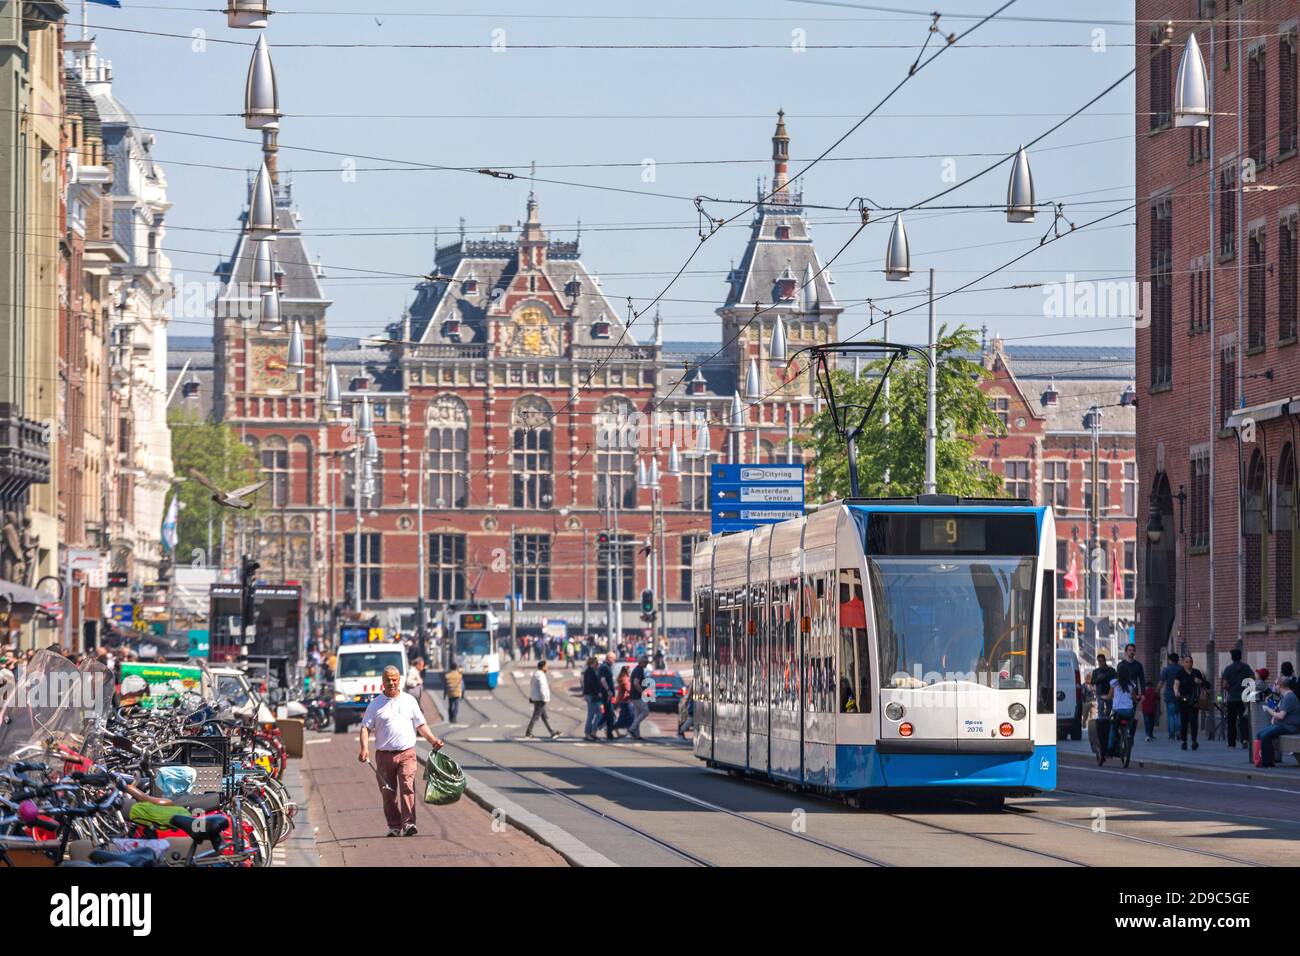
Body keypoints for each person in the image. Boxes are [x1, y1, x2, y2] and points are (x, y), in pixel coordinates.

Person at [358, 665, 445, 837]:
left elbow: (420, 725)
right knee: (388, 792)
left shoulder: (409, 701)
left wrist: (433, 740)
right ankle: (394, 826)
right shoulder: (376, 704)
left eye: (394, 679)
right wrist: (364, 748)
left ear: (399, 681)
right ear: (382, 682)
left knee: (407, 786)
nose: (391, 683)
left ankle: (409, 823)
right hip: (384, 756)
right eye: (388, 680)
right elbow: (365, 728)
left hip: (407, 753)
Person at [1255, 676, 1300, 767]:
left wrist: (1268, 709)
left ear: (1280, 685)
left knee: (1265, 736)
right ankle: (1261, 759)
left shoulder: (1289, 697)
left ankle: (1268, 763)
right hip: (1282, 725)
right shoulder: (1285, 696)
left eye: (1275, 684)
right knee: (1260, 734)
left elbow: (1281, 716)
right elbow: (1279, 710)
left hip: (1289, 727)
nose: (1274, 686)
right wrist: (1270, 704)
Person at [1220, 648, 1255, 748]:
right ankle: (1245, 739)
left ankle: (1231, 742)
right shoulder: (1246, 667)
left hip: (1232, 698)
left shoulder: (1228, 669)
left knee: (1231, 721)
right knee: (1244, 719)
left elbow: (1225, 684)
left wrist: (1229, 688)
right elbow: (1252, 680)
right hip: (1244, 698)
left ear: (1232, 657)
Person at [1173, 655, 1205, 751]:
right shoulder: (1180, 673)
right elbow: (1176, 684)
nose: (1189, 663)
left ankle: (1194, 741)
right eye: (1186, 662)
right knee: (1184, 721)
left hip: (1194, 700)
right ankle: (1184, 741)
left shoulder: (1196, 672)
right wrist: (1176, 692)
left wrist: (1199, 681)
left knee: (1194, 721)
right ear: (1183, 663)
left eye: (1190, 661)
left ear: (1192, 662)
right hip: (1183, 699)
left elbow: (1206, 684)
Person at [1104, 670, 1137, 760]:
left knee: (1113, 728)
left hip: (1118, 711)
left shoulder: (1114, 683)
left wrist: (1104, 697)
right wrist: (1136, 698)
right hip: (1129, 711)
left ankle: (1110, 750)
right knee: (1130, 724)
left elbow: (1110, 696)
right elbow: (1134, 698)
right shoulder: (1132, 684)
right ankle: (1129, 734)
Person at [524, 660, 562, 739]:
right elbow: (542, 687)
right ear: (543, 667)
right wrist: (545, 698)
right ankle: (528, 733)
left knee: (544, 717)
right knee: (536, 716)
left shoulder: (536, 674)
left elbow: (532, 686)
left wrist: (532, 696)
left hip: (537, 698)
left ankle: (552, 732)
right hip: (540, 699)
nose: (547, 668)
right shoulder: (540, 675)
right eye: (546, 666)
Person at [1156, 652, 1182, 740]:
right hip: (1179, 695)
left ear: (1170, 660)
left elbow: (1161, 682)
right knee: (1178, 714)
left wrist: (1157, 691)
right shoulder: (1181, 669)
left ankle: (1171, 734)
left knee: (1171, 715)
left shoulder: (1166, 669)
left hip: (1170, 694)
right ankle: (1179, 732)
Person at [629, 656, 652, 739]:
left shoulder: (637, 669)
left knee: (637, 714)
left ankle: (636, 734)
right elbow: (636, 683)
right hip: (637, 696)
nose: (647, 664)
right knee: (645, 711)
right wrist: (642, 692)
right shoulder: (639, 670)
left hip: (634, 695)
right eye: (646, 662)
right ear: (642, 662)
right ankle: (632, 728)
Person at [597, 652, 618, 739]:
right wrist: (609, 691)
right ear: (609, 658)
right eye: (613, 659)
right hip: (607, 695)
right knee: (609, 714)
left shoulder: (606, 667)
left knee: (608, 714)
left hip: (608, 695)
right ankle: (607, 732)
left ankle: (608, 732)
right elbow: (602, 680)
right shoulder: (604, 667)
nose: (614, 661)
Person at [581, 656, 603, 740]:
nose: (597, 665)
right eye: (596, 663)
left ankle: (593, 732)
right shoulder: (589, 671)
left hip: (592, 695)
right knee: (591, 714)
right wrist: (598, 692)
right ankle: (588, 733)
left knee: (598, 713)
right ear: (592, 663)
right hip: (591, 695)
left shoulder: (592, 671)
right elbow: (591, 684)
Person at [612, 665, 634, 734]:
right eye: (629, 670)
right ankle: (614, 727)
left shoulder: (626, 677)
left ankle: (628, 729)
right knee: (629, 715)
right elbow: (627, 688)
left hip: (625, 700)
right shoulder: (624, 678)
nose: (630, 672)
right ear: (626, 671)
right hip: (625, 700)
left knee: (625, 715)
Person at [443, 659, 464, 724]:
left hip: (450, 693)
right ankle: (454, 717)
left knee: (450, 705)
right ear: (456, 667)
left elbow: (445, 686)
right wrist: (462, 693)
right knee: (456, 706)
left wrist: (444, 694)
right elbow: (463, 686)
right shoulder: (459, 675)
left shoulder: (447, 676)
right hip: (457, 692)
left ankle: (450, 716)